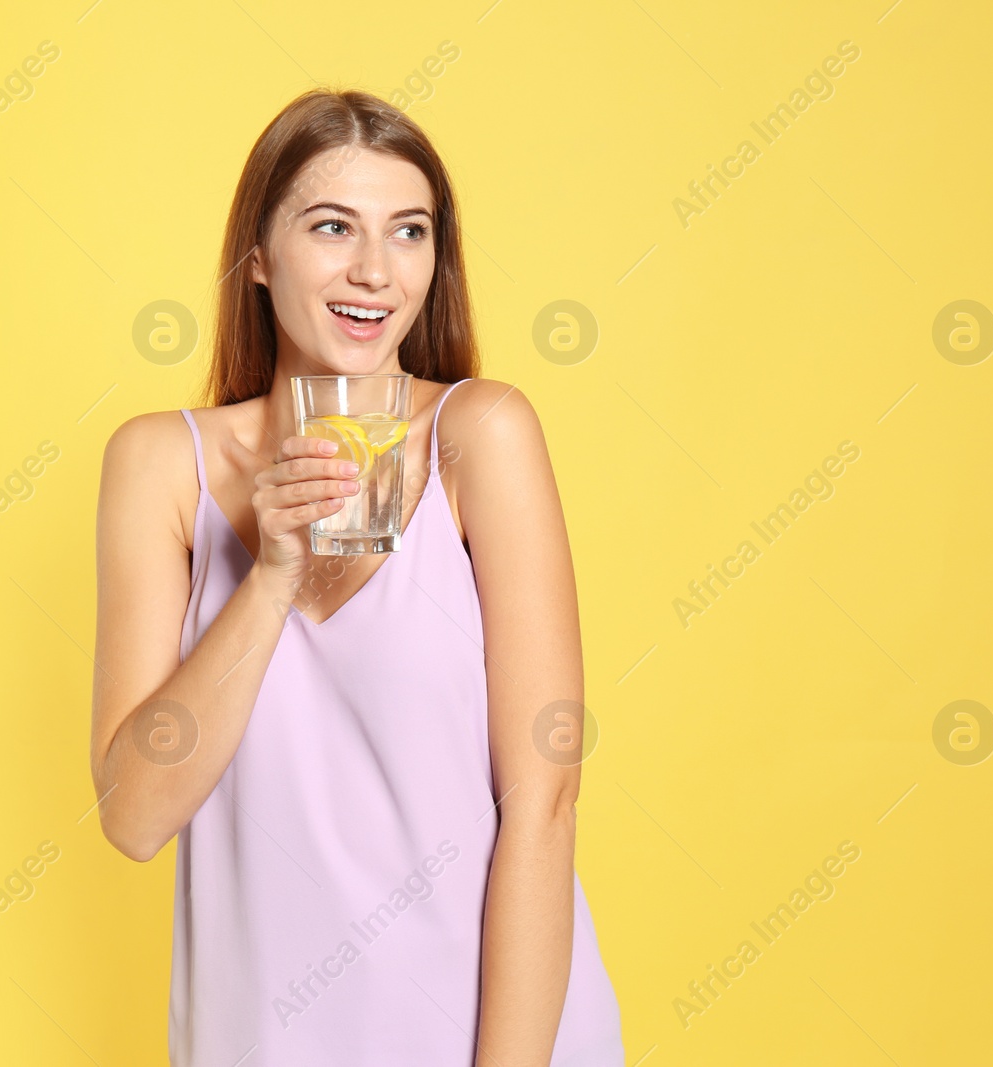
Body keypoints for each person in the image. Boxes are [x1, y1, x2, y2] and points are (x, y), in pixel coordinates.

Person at [90, 87, 624, 1066]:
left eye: (408, 231)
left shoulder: (479, 437)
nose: (374, 270)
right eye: (332, 226)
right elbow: (132, 814)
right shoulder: (161, 465)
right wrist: (271, 577)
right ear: (258, 253)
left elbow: (542, 804)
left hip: (491, 1037)